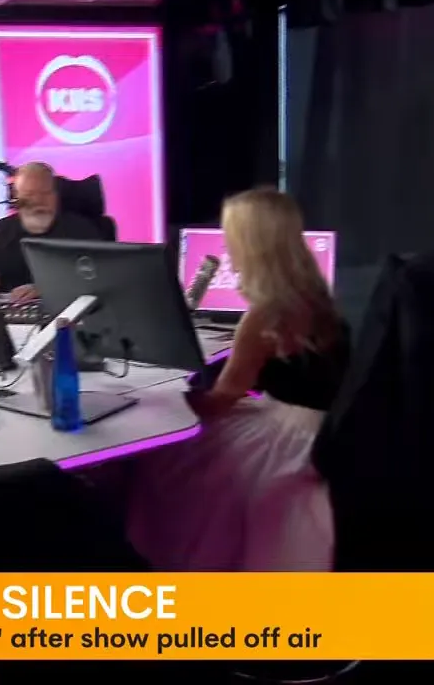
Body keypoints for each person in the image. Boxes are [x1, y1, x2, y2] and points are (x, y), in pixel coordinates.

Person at [120, 188, 350, 571]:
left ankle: (174, 557)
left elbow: (221, 399)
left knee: (173, 453)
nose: (227, 246)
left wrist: (163, 406)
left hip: (290, 437)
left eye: (232, 237)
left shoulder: (264, 316)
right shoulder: (316, 296)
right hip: (323, 426)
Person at [0, 162, 106, 302]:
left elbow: (100, 278)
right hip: (7, 315)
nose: (38, 201)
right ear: (16, 197)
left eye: (45, 193)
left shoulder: (81, 231)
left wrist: (47, 288)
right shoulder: (0, 231)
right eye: (29, 194)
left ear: (56, 195)